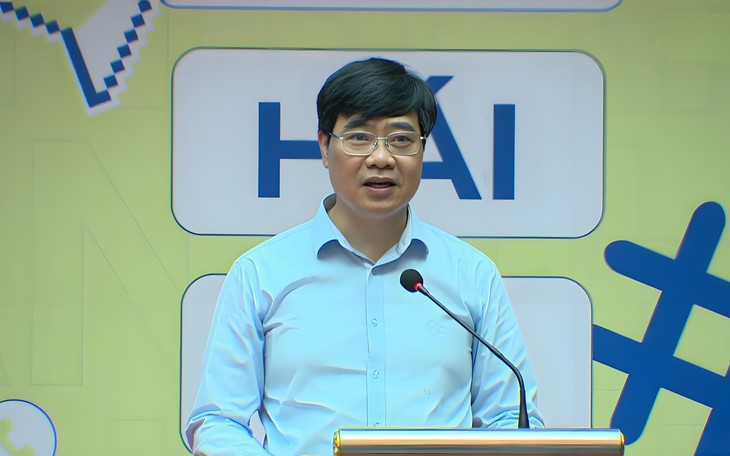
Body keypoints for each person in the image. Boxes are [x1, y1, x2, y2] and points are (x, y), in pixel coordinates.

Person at [185, 57, 543, 455]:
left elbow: (509, 419)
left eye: (401, 140)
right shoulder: (261, 273)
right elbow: (218, 421)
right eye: (359, 138)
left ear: (423, 150)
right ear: (324, 147)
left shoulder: (471, 274)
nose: (381, 158)